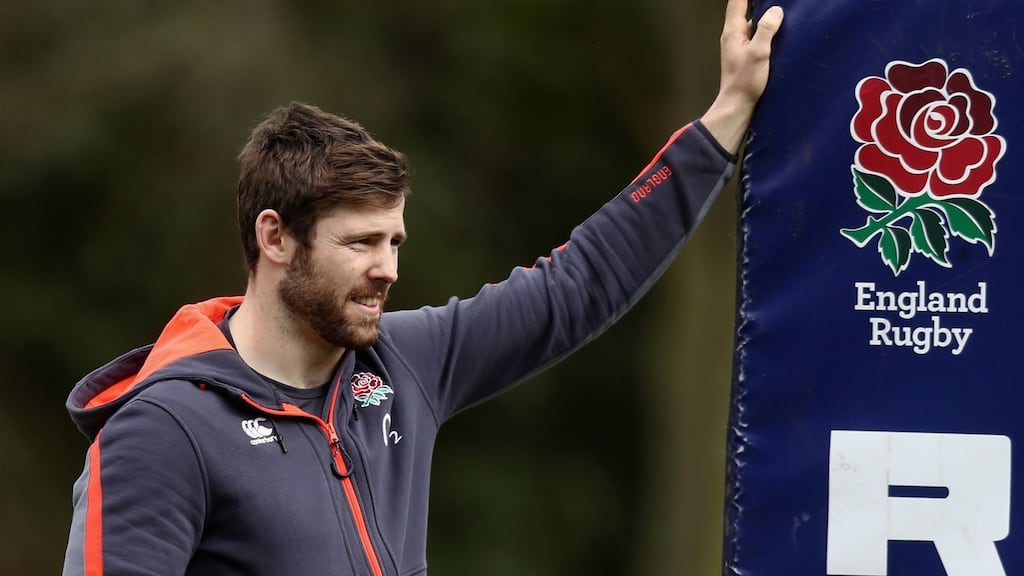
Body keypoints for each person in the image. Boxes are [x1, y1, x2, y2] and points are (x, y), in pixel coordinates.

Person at [62, 1, 783, 574]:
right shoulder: (163, 430)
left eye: (395, 242)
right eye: (360, 243)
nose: (388, 269)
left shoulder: (402, 365)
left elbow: (579, 284)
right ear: (275, 239)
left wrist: (725, 117)